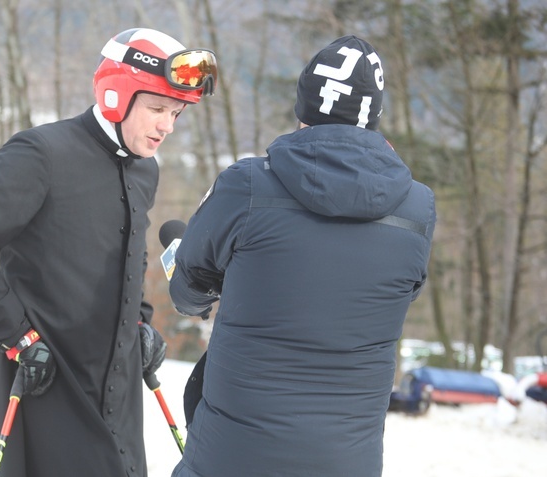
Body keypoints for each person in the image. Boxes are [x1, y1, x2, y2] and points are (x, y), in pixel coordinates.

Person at [0, 28, 217, 477]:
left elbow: (127, 257)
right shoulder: (41, 153)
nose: (167, 125)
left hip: (117, 387)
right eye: (158, 109)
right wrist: (17, 336)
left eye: (176, 113)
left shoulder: (144, 170)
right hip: (44, 380)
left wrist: (139, 321)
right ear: (116, 96)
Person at [168, 35, 435, 477]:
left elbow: (186, 291)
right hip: (349, 462)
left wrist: (212, 287)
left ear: (304, 107)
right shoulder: (418, 208)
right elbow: (400, 294)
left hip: (231, 456)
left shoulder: (246, 185)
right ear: (374, 114)